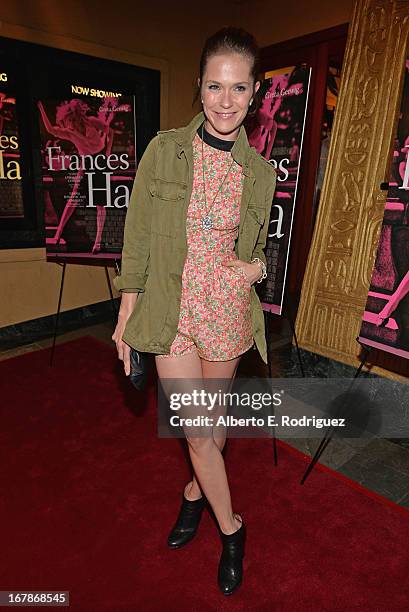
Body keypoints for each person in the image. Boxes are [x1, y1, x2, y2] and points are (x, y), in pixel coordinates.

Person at [112, 27, 277, 596]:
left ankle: (191, 495)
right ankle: (232, 528)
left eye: (237, 88)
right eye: (215, 86)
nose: (225, 100)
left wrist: (256, 271)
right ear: (199, 89)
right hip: (172, 310)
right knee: (200, 430)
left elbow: (261, 249)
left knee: (212, 431)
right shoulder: (164, 151)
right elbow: (136, 237)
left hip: (227, 312)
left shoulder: (261, 173)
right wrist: (125, 316)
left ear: (253, 93)